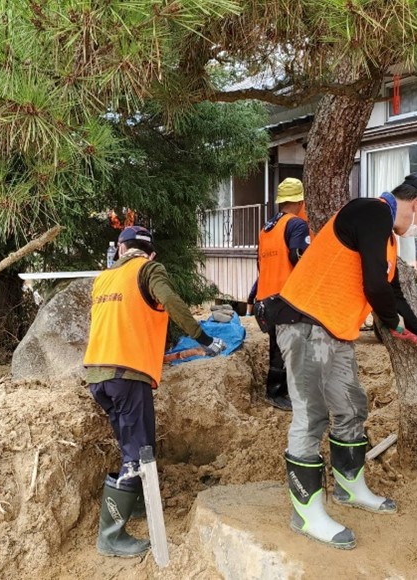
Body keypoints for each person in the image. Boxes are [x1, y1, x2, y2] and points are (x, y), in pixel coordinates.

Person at [273, 173, 417, 549]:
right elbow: (375, 289)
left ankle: (350, 488)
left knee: (352, 407)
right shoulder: (370, 212)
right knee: (312, 415)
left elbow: (393, 295)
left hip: (335, 332)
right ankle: (306, 511)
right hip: (305, 325)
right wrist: (392, 321)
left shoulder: (384, 239)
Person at [83, 225, 226, 558]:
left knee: (129, 446)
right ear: (151, 254)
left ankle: (131, 504)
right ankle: (110, 536)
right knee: (138, 455)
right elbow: (170, 301)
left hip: (98, 375)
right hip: (127, 375)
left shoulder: (104, 278)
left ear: (120, 249)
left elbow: (120, 320)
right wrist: (204, 340)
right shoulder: (148, 269)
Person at [250, 177, 311, 411]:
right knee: (291, 347)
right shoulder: (296, 224)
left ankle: (275, 391)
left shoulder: (267, 228)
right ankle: (279, 392)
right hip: (285, 297)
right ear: (300, 201)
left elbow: (260, 264)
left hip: (266, 297)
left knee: (277, 345)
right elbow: (298, 256)